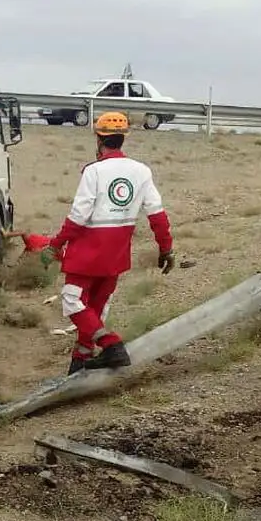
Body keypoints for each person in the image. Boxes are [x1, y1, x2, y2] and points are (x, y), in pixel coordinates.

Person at [40, 111, 175, 374]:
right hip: (117, 252)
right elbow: (157, 214)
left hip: (88, 251)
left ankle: (111, 345)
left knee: (72, 300)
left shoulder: (94, 171)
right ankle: (81, 360)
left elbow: (78, 217)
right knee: (97, 307)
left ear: (99, 139)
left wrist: (56, 244)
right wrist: (166, 247)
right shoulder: (142, 171)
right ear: (123, 138)